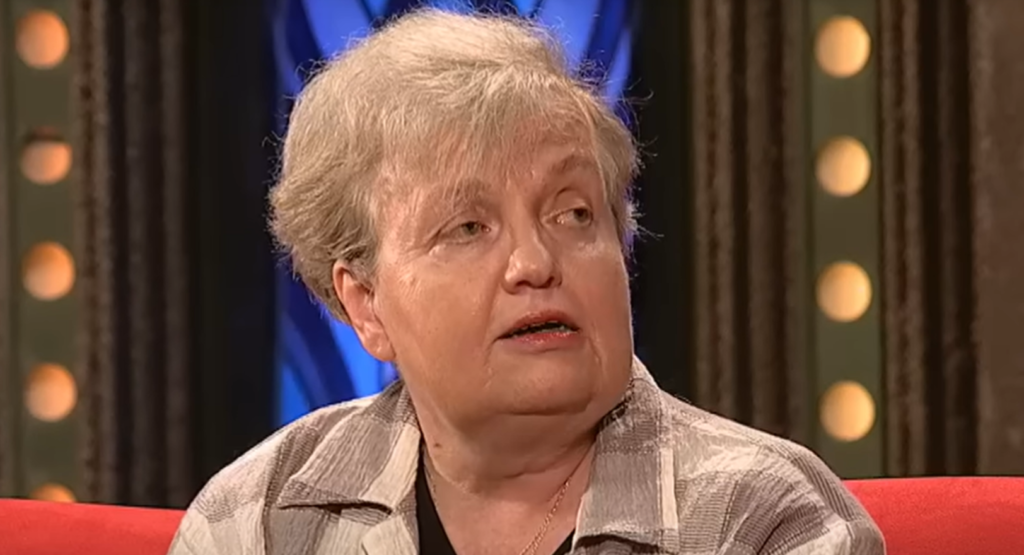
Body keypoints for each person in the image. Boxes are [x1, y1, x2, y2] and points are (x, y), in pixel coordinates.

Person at [167, 9, 884, 555]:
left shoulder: (762, 519)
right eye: (468, 227)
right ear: (366, 303)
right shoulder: (261, 518)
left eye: (574, 214)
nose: (535, 262)